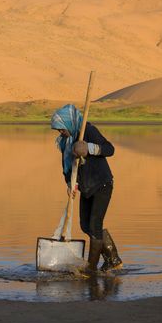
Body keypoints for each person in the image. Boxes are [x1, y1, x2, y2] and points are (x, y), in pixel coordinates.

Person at [50, 104, 122, 272]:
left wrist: (89, 148)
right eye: (58, 130)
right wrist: (70, 183)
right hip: (86, 187)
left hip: (102, 184)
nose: (61, 133)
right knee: (85, 225)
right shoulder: (66, 142)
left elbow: (109, 149)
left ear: (69, 123)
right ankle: (113, 259)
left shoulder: (87, 131)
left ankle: (91, 268)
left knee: (95, 224)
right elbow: (67, 167)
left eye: (62, 129)